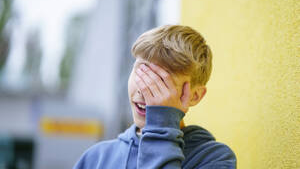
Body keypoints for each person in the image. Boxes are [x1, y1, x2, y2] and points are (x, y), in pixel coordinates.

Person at [73, 25, 237, 169]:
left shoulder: (214, 158)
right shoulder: (96, 158)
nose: (144, 89)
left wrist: (161, 124)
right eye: (142, 72)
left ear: (195, 96)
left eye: (161, 81)